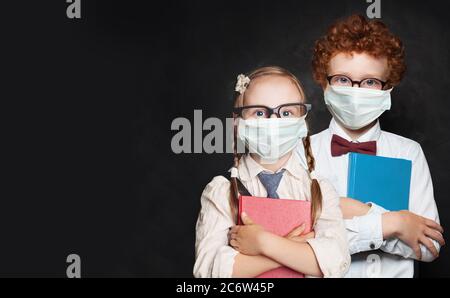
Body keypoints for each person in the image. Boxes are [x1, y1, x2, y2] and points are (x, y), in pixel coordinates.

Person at [297, 14, 445, 277]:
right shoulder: (298, 153)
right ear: (324, 82)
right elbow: (294, 244)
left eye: (369, 82)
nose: (355, 91)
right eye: (343, 79)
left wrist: (347, 220)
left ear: (388, 87)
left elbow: (429, 246)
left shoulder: (408, 152)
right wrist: (394, 223)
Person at [194, 66, 350, 278]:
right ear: (238, 122)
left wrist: (262, 242)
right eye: (259, 112)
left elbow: (335, 263)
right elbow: (209, 272)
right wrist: (291, 249)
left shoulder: (320, 190)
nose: (274, 122)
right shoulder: (221, 192)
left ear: (302, 121)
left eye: (286, 113)